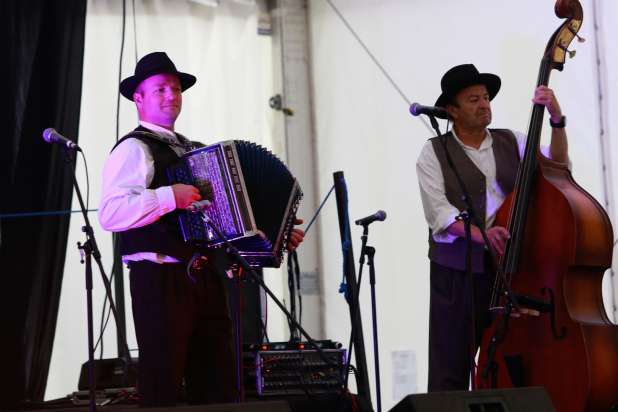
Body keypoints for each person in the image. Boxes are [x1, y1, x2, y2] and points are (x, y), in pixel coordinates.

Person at [98, 51, 304, 406]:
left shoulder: (194, 151)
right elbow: (111, 213)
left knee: (217, 380)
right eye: (160, 89)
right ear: (139, 98)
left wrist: (277, 233)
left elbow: (226, 219)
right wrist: (167, 197)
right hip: (160, 279)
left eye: (176, 89)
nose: (171, 96)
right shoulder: (134, 149)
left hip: (206, 276)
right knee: (162, 381)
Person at [416, 63, 569, 391]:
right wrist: (483, 236)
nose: (484, 104)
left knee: (518, 360)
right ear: (451, 110)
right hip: (458, 273)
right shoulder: (433, 152)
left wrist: (556, 120)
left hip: (515, 268)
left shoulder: (512, 140)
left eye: (485, 97)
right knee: (450, 364)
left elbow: (557, 165)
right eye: (473, 100)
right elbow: (439, 214)